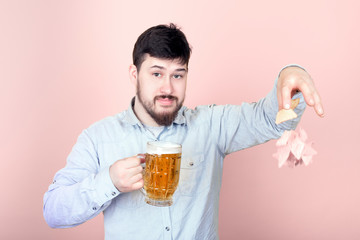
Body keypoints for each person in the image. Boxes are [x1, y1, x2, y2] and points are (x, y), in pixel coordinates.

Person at [43, 23, 324, 239]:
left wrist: (291, 74)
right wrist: (110, 182)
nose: (167, 88)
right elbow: (53, 211)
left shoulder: (212, 125)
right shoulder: (98, 137)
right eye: (156, 74)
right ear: (134, 75)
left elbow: (270, 119)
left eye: (177, 75)